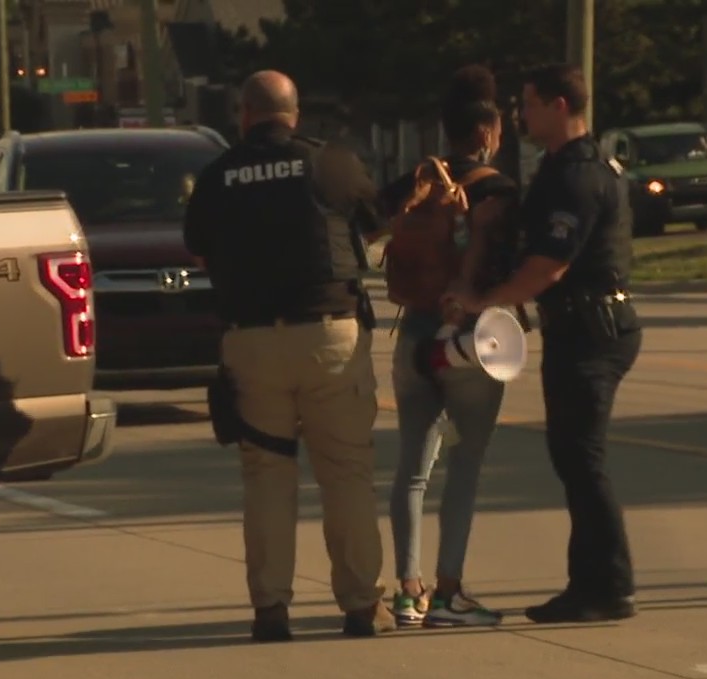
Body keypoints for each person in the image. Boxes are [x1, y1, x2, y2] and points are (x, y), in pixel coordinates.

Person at [183, 69, 397, 641]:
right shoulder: (328, 163)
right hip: (329, 339)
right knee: (347, 474)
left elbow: (201, 253)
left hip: (252, 344)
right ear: (295, 116)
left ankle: (271, 609)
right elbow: (374, 224)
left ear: (245, 115)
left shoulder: (218, 176)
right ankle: (359, 606)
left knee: (267, 479)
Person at [445, 63, 640, 624]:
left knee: (582, 457)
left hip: (593, 328)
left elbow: (549, 265)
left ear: (558, 106)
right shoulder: (558, 166)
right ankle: (594, 583)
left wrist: (487, 302)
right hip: (579, 325)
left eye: (528, 104)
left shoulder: (580, 175)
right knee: (574, 457)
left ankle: (607, 586)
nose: (519, 115)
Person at [379, 65, 520, 628]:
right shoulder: (498, 188)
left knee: (411, 468)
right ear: (487, 131)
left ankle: (408, 591)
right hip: (470, 341)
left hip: (412, 332)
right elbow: (509, 265)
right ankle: (450, 593)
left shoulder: (412, 181)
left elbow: (369, 228)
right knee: (464, 464)